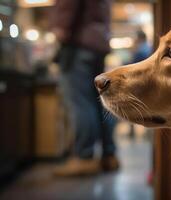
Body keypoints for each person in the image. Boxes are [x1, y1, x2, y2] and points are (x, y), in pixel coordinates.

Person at [51, 0, 119, 176]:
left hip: (78, 43)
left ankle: (84, 157)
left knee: (80, 103)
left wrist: (61, 27)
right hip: (98, 42)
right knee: (100, 102)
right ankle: (109, 155)